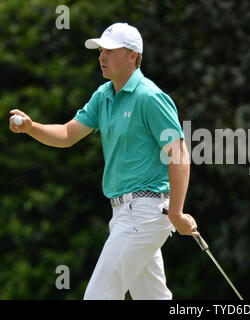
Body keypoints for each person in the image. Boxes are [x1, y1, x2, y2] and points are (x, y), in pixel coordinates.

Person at [9, 22, 199, 300]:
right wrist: (31, 127)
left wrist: (177, 213)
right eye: (100, 51)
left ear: (133, 55)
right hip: (124, 213)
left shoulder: (150, 97)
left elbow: (179, 154)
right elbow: (67, 134)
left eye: (110, 51)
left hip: (144, 214)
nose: (102, 57)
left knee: (99, 296)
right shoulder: (104, 95)